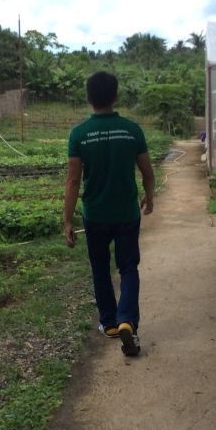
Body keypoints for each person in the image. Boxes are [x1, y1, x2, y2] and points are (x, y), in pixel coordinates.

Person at [64, 71, 155, 357]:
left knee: (100, 267)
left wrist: (67, 219)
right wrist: (149, 196)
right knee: (128, 267)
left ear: (89, 98)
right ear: (115, 96)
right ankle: (127, 318)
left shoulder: (79, 134)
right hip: (127, 212)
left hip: (95, 215)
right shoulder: (131, 130)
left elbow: (73, 181)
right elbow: (147, 172)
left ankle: (110, 323)